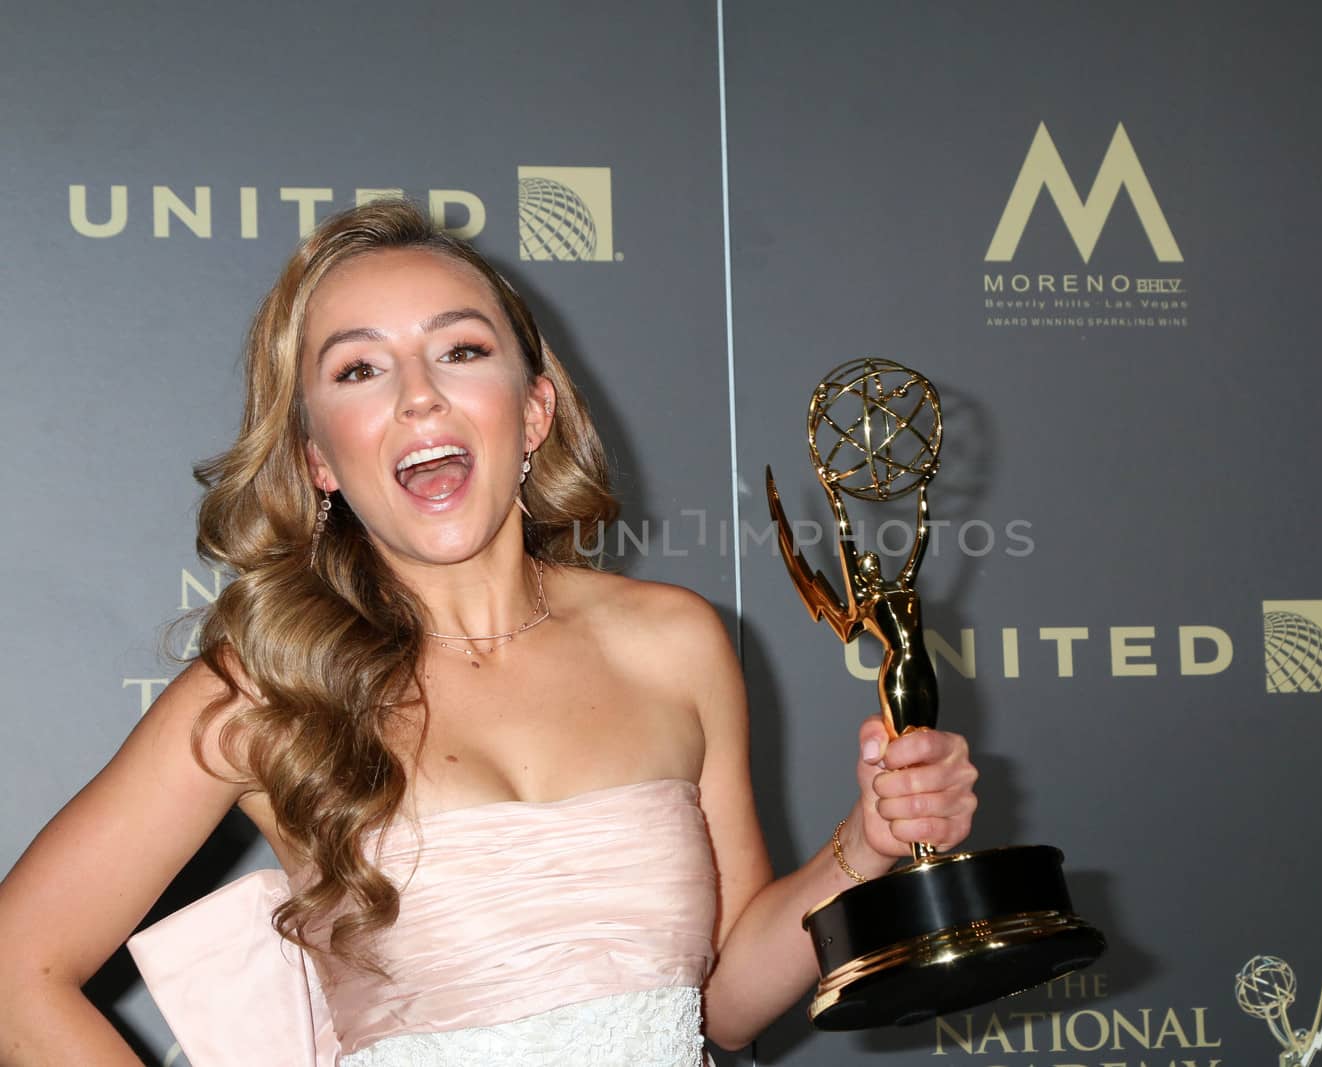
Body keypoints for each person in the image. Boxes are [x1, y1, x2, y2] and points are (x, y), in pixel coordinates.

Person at [0, 200, 978, 1066]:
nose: (417, 394)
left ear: (535, 408)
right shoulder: (266, 687)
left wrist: (867, 843)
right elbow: (17, 975)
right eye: (359, 367)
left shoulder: (675, 642)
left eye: (460, 350)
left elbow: (721, 1004)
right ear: (318, 458)